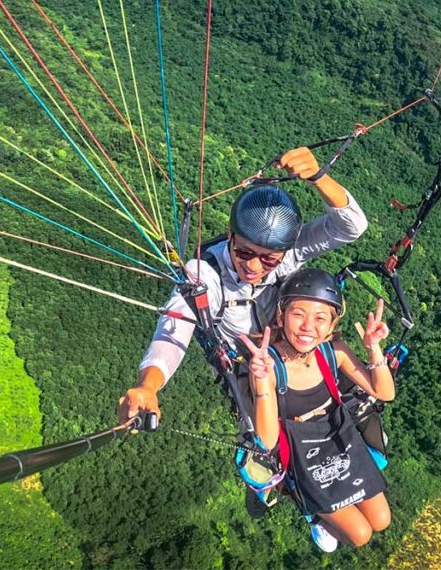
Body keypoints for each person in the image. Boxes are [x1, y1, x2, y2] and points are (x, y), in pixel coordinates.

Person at [117, 147, 368, 423]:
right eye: (244, 252)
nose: (253, 267)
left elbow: (351, 227)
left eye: (269, 260)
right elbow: (173, 330)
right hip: (250, 370)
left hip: (288, 349)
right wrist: (148, 385)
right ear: (230, 236)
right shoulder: (204, 275)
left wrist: (319, 177)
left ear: (284, 251)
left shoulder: (290, 251)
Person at [241, 268, 394, 552]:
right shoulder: (269, 365)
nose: (308, 326)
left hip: (338, 435)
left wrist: (374, 349)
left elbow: (384, 392)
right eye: (298, 314)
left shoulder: (332, 351)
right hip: (300, 448)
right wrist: (261, 383)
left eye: (320, 318)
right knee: (360, 534)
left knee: (382, 519)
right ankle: (313, 514)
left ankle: (322, 510)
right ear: (280, 316)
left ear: (331, 324)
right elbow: (268, 440)